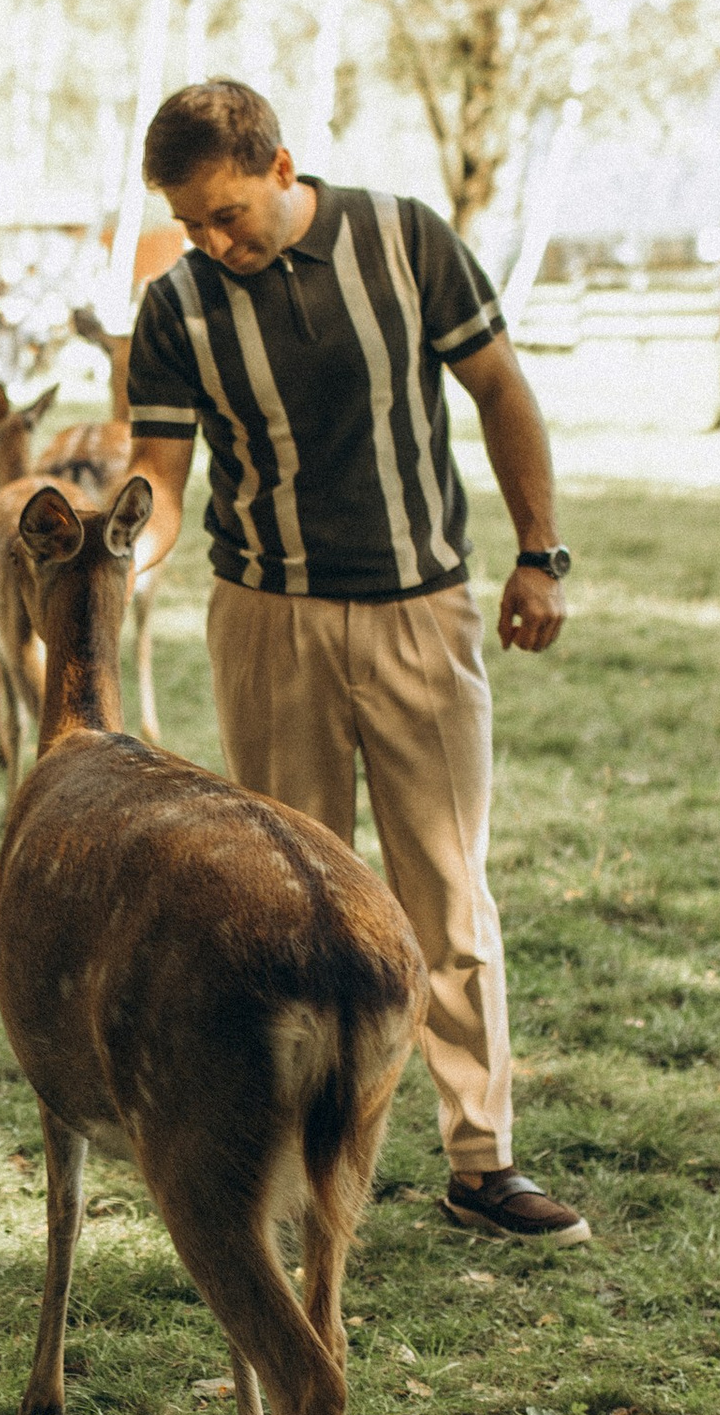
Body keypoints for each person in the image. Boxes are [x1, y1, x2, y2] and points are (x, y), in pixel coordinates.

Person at [124, 78, 588, 1247]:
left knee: (443, 891)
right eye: (191, 223)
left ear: (284, 168)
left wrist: (540, 553)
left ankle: (481, 1163)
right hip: (264, 619)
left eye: (227, 212)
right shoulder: (176, 306)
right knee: (286, 906)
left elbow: (498, 390)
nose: (213, 241)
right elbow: (163, 484)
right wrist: (111, 553)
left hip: (416, 614)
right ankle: (295, 1166)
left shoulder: (405, 237)